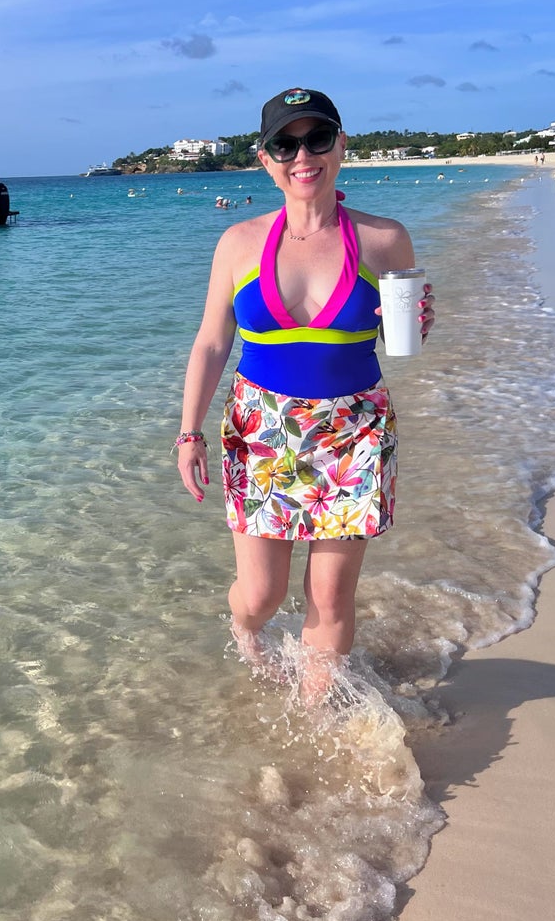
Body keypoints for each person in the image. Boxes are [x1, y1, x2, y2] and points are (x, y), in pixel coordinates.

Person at [175, 88, 435, 703]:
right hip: (261, 431)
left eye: (317, 138)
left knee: (330, 595)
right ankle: (245, 633)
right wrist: (188, 432)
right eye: (284, 144)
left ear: (341, 145)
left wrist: (422, 321)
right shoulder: (238, 243)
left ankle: (313, 721)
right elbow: (212, 343)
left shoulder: (383, 239)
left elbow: (403, 335)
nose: (303, 156)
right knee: (261, 595)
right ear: (264, 159)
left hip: (355, 432)